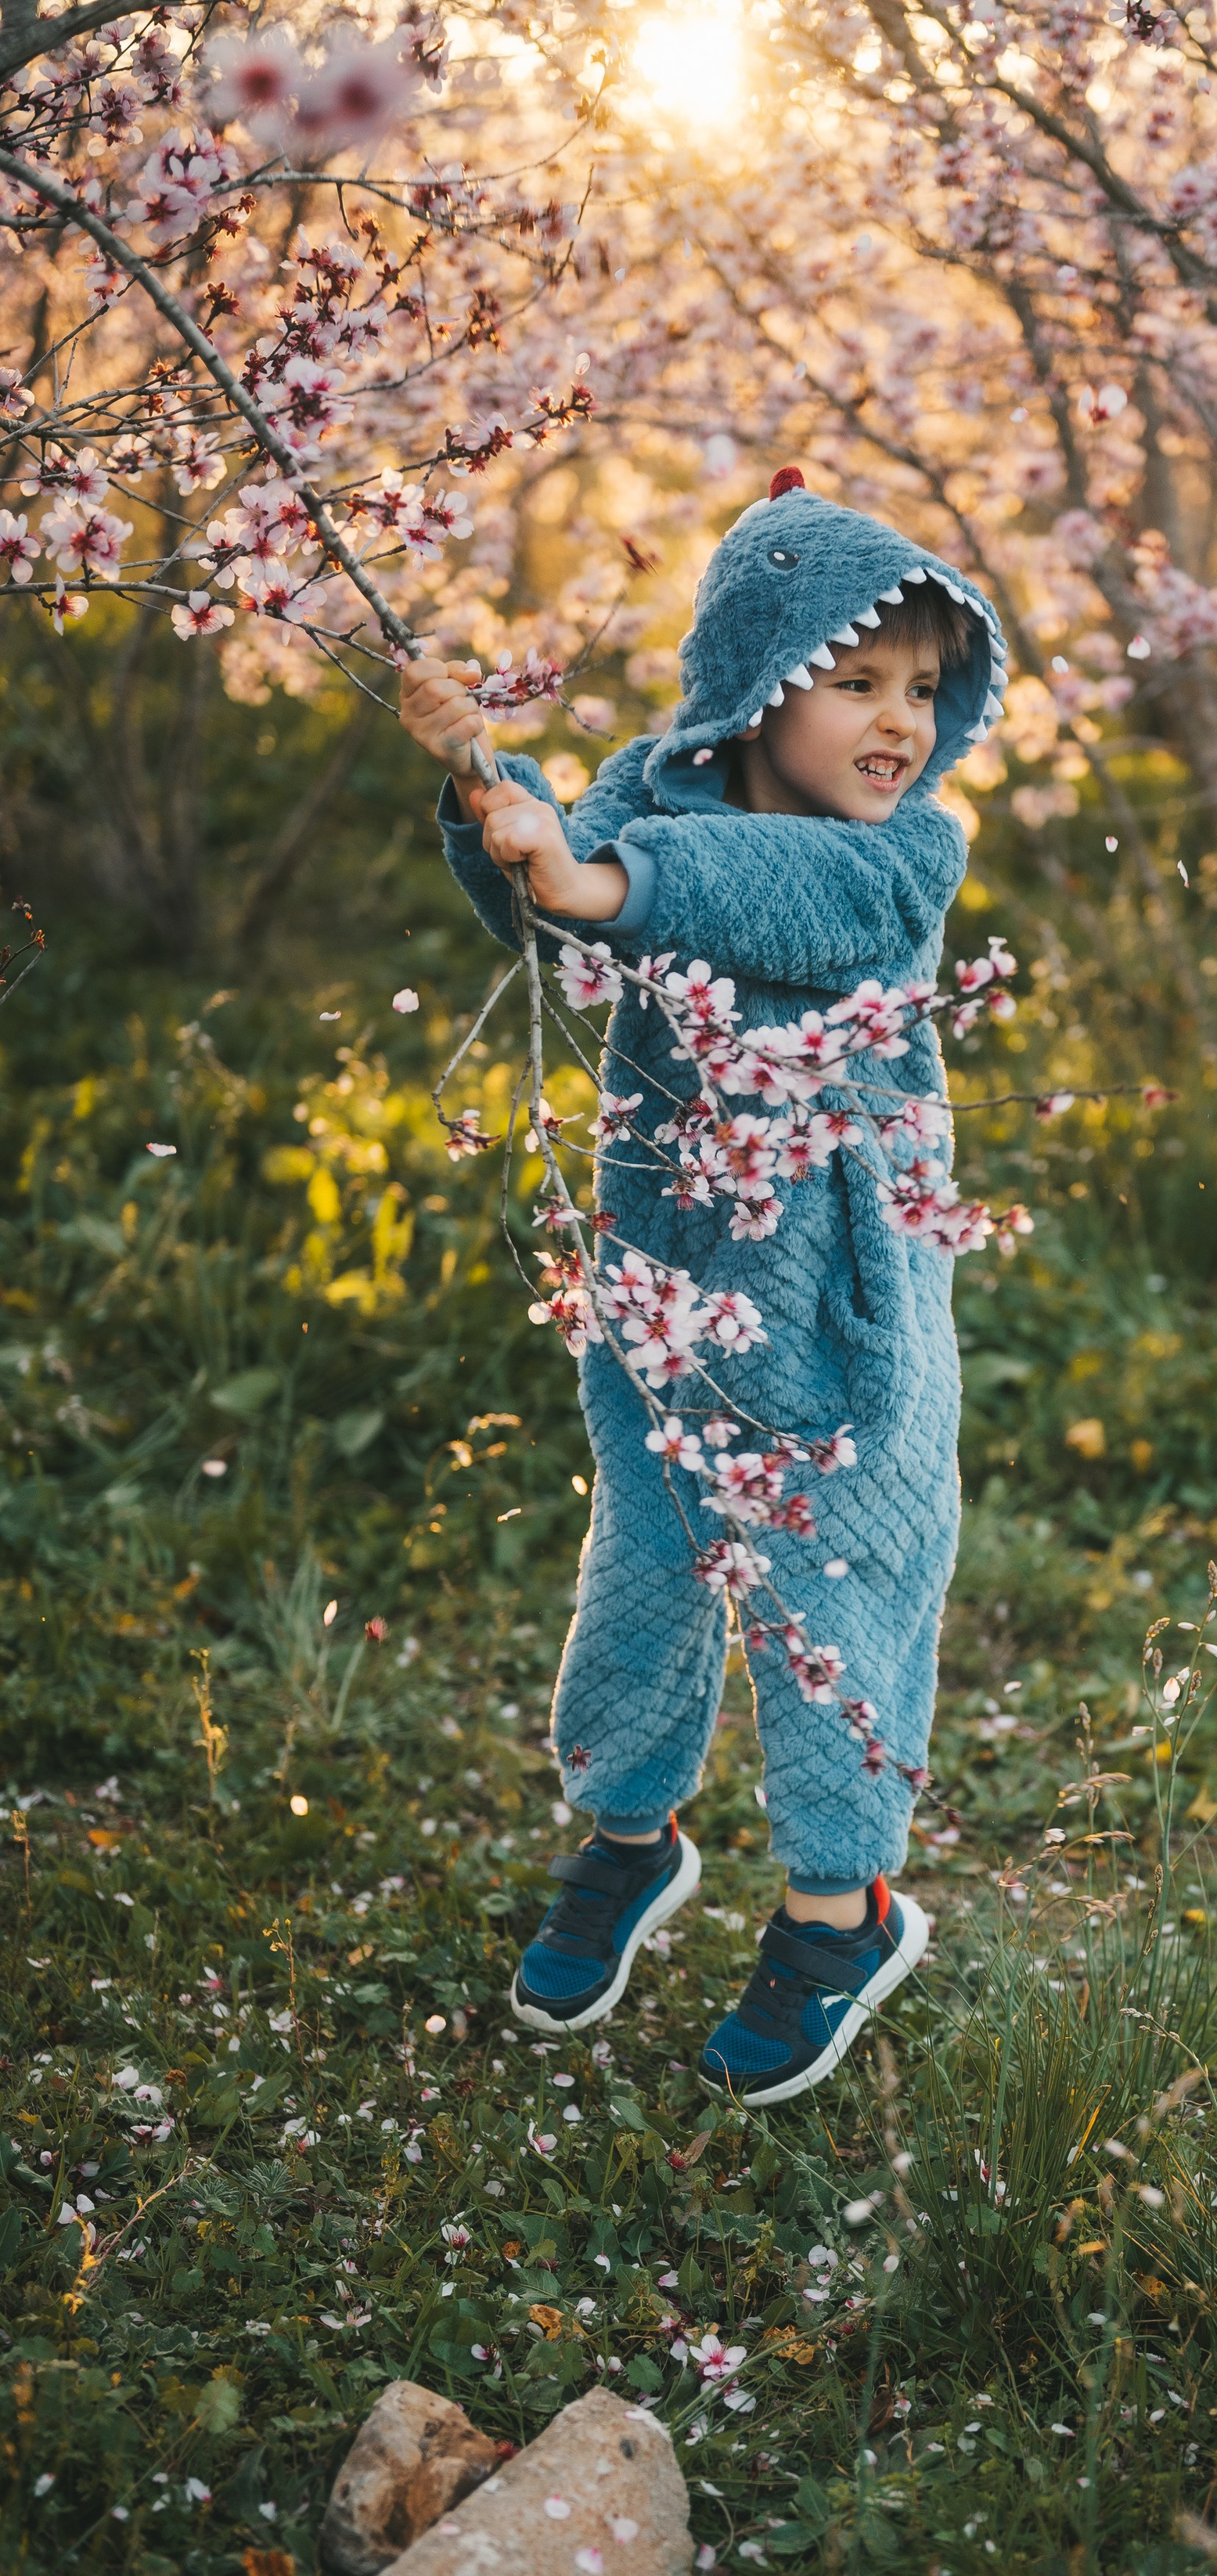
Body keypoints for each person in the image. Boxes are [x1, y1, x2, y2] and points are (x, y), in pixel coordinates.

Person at [398, 468, 1008, 2104]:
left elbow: (728, 895)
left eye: (925, 693)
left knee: (839, 1580)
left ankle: (840, 1908)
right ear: (756, 677)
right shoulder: (640, 801)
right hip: (664, 1278)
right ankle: (627, 1834)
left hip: (841, 1319)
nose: (901, 725)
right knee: (647, 1565)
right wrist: (492, 799)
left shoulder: (901, 864)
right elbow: (559, 912)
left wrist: (596, 879)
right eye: (859, 681)